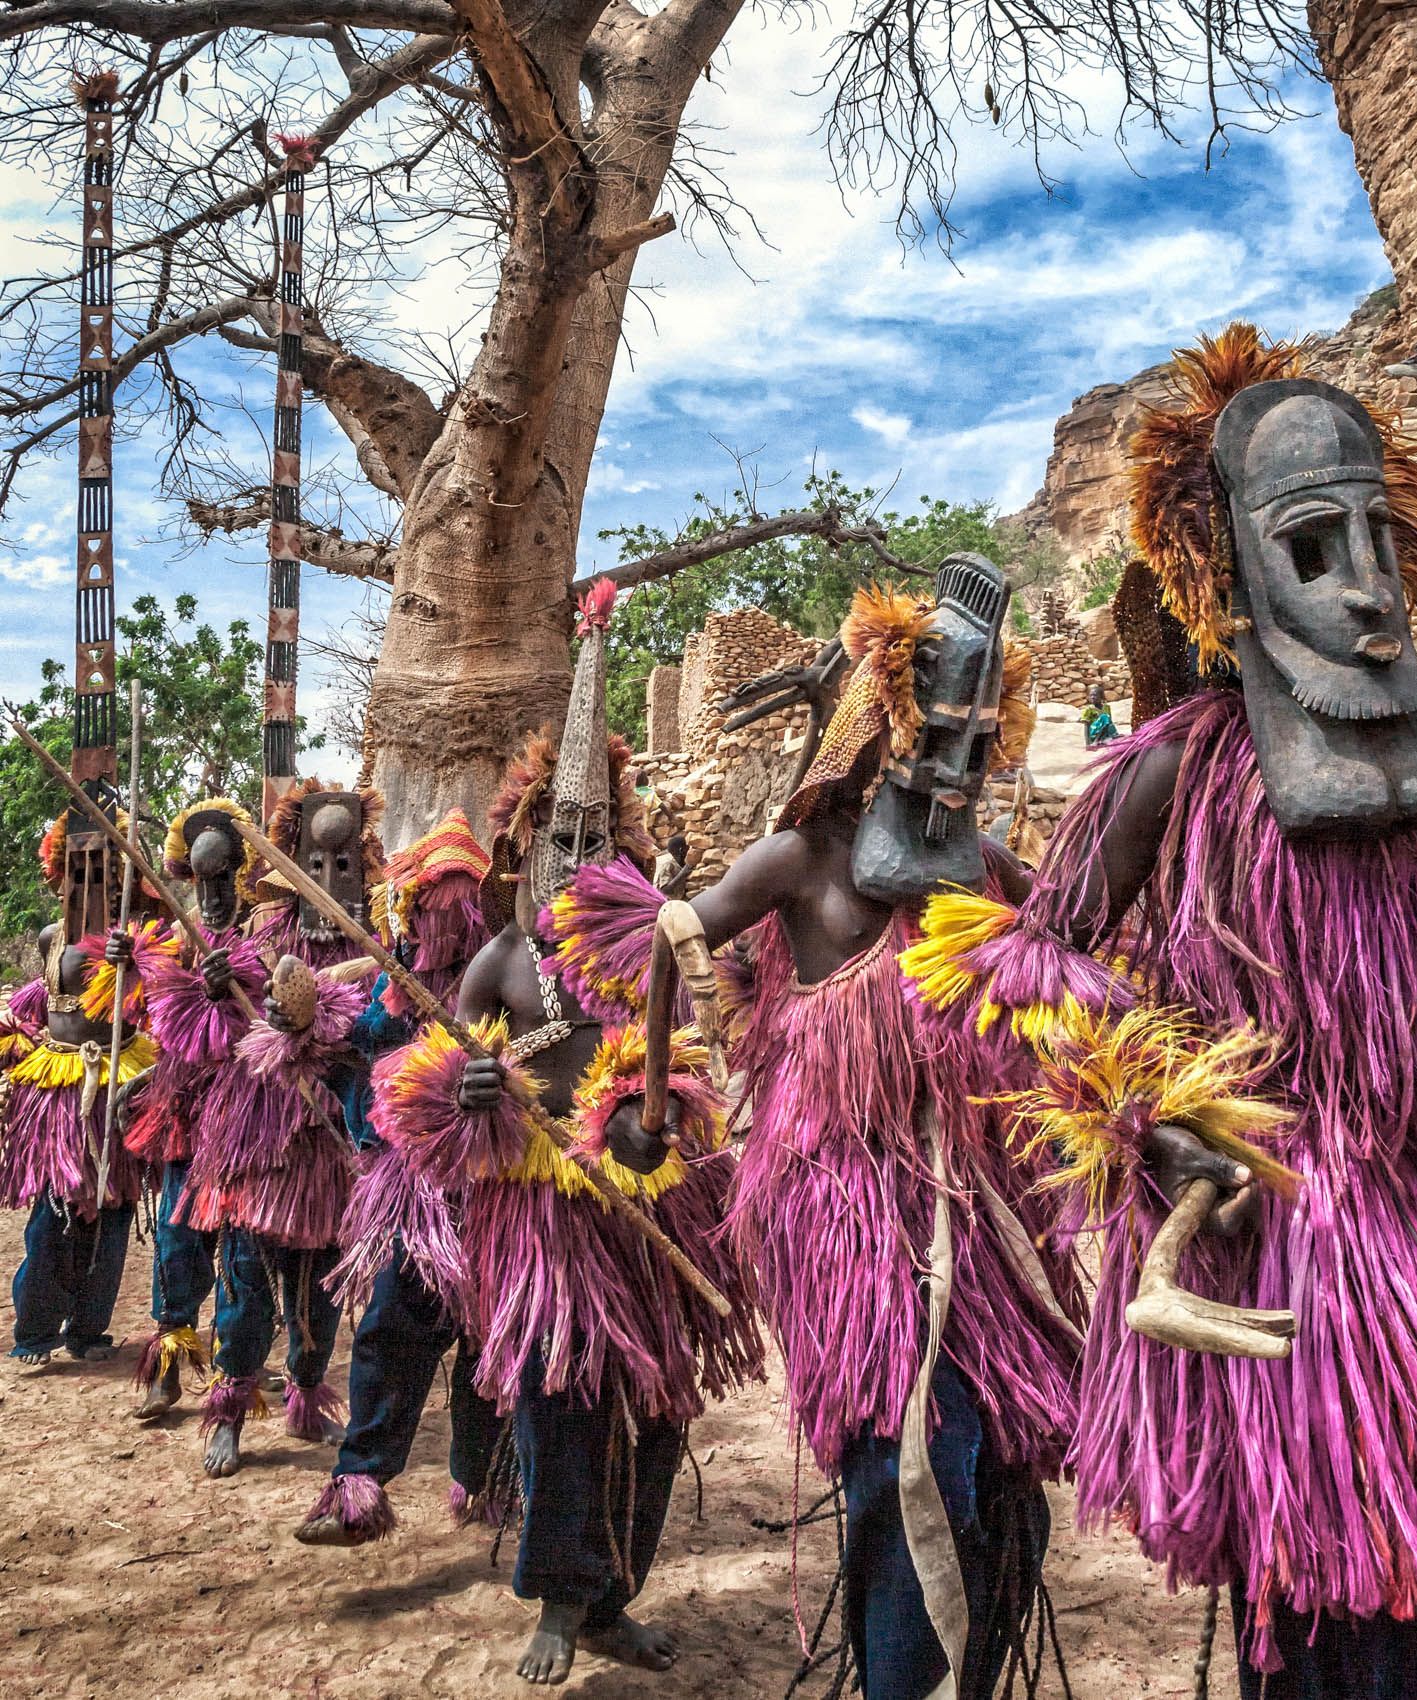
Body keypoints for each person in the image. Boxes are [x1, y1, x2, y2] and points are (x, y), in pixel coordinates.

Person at [907, 326, 1417, 1698]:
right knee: (1346, 1612)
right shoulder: (1166, 776)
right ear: (1229, 562)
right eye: (1314, 547)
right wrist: (1146, 1119)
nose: (1366, 586)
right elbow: (1029, 976)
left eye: (1375, 540)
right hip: (1284, 1238)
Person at [550, 565, 1086, 1700]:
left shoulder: (984, 869)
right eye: (936, 728)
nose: (956, 757)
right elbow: (669, 934)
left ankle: (966, 1672)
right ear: (881, 726)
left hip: (979, 1209)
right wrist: (647, 1099)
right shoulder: (800, 859)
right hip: (843, 1206)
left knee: (1004, 1466)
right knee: (911, 1458)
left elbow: (1070, 933)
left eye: (976, 734)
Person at [340, 579, 762, 1684]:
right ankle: (556, 1600)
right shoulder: (501, 962)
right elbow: (422, 1089)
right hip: (541, 1222)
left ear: (619, 844)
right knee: (557, 1402)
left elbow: (701, 1066)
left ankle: (613, 1593)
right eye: (553, 836)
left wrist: (648, 1117)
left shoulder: (659, 946)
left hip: (651, 1205)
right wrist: (466, 1086)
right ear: (524, 847)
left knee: (653, 1411)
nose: (572, 854)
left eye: (591, 835)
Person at [295, 808, 502, 1544]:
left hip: (501, 1198)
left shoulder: (509, 977)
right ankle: (359, 1485)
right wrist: (302, 1020)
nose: (445, 927)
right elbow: (338, 1037)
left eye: (461, 909)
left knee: (491, 1344)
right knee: (390, 1328)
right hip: (412, 1198)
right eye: (432, 909)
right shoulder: (386, 983)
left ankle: (483, 1481)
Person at [176, 778, 385, 1477]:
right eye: (314, 863)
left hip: (335, 1148)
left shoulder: (378, 944)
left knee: (318, 1293)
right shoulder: (264, 932)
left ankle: (305, 1390)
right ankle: (230, 1411)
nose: (329, 875)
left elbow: (390, 1030)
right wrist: (215, 983)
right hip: (261, 1141)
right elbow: (227, 1017)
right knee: (245, 1283)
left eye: (344, 862)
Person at [120, 800, 266, 1418]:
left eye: (223, 878)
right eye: (202, 882)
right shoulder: (177, 937)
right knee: (177, 1245)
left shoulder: (266, 931)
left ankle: (233, 1388)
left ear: (242, 870)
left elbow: (282, 1019)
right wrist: (130, 969)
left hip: (249, 1122)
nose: (212, 894)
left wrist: (236, 988)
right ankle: (170, 1360)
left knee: (241, 1258)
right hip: (184, 1115)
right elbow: (154, 1022)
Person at [2, 807, 154, 1365]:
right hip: (59, 1089)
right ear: (61, 874)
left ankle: (89, 1329)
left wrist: (131, 962)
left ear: (121, 879)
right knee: (55, 1210)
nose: (89, 883)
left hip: (117, 1088)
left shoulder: (138, 940)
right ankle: (36, 1331)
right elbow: (37, 1005)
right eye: (79, 871)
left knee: (112, 1211)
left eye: (104, 872)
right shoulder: (49, 938)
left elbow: (154, 1001)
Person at [651, 832, 691, 897]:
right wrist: (682, 874)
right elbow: (665, 890)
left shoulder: (681, 863)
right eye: (688, 848)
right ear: (682, 850)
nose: (690, 851)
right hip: (665, 904)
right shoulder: (667, 864)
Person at [1081, 681, 1117, 746]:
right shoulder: (1088, 709)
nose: (1092, 697)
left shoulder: (1107, 707)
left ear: (1101, 697)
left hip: (1105, 732)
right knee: (1104, 717)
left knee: (1108, 719)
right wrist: (1087, 743)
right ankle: (1096, 741)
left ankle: (1106, 738)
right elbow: (1086, 726)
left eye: (1095, 695)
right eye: (1091, 695)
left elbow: (1109, 722)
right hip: (1094, 733)